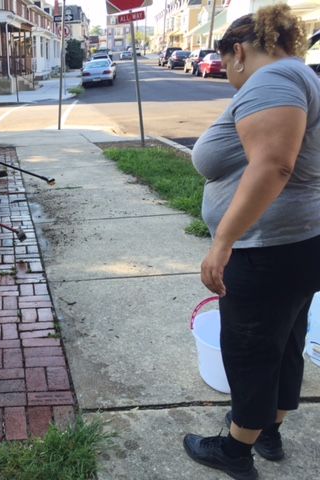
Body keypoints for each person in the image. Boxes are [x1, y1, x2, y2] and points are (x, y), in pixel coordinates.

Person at [184, 5, 320, 480]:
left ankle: (235, 452)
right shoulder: (302, 77)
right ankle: (268, 431)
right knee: (284, 341)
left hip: (267, 249)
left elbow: (274, 165)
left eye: (225, 65)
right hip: (298, 243)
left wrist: (224, 240)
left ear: (238, 51)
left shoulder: (274, 81)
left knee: (250, 346)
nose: (226, 75)